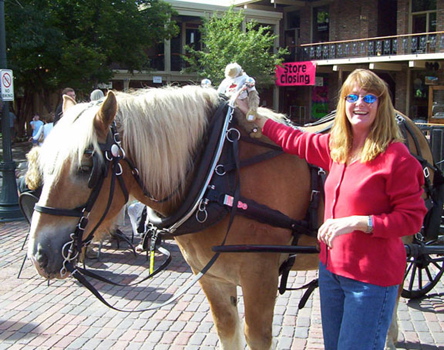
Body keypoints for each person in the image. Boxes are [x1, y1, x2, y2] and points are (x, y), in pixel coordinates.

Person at [246, 69, 427, 350]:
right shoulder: (339, 148)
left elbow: (412, 220)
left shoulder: (396, 158)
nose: (360, 103)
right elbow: (297, 140)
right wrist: (256, 117)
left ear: (381, 105)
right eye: (352, 96)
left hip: (371, 280)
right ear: (343, 103)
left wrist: (359, 222)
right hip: (332, 273)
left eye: (369, 97)